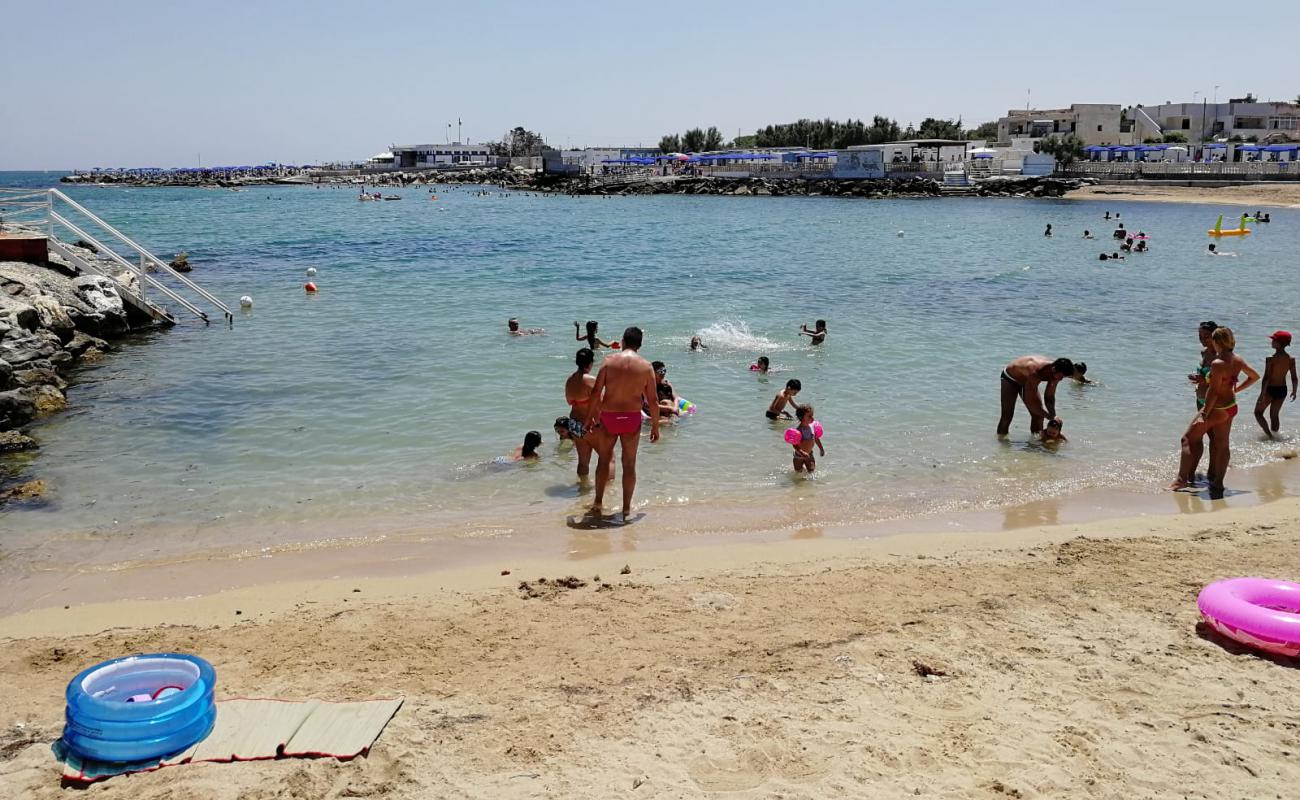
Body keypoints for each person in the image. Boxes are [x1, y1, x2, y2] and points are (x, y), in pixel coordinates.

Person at [1170, 327, 1259, 497]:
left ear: (1217, 342)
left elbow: (1213, 391)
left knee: (1187, 439)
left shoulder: (1217, 364)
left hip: (1216, 408)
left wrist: (1204, 414)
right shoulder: (1237, 359)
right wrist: (1236, 390)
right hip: (1231, 407)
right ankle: (1218, 483)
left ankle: (1180, 481)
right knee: (1222, 444)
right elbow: (1254, 376)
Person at [585, 326, 659, 520]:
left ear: (623, 341)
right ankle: (626, 509)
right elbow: (653, 401)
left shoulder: (609, 362)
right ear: (640, 346)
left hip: (609, 417)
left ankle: (598, 503)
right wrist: (655, 426)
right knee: (630, 464)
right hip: (632, 419)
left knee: (603, 461)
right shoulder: (646, 366)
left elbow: (595, 393)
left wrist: (588, 418)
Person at [997, 356, 1076, 436]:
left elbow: (1049, 397)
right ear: (1054, 369)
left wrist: (1053, 415)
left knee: (1038, 416)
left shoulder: (1056, 373)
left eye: (1063, 377)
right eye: (1061, 376)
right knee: (1007, 415)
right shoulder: (1036, 372)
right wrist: (1048, 416)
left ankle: (1036, 444)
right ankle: (1001, 443)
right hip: (1011, 377)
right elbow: (1030, 402)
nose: (1061, 379)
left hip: (1027, 380)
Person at [565, 348, 605, 480]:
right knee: (608, 459)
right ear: (590, 363)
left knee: (583, 462)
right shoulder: (591, 380)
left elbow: (569, 401)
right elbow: (600, 406)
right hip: (590, 425)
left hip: (574, 423)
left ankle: (582, 490)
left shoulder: (569, 381)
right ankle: (608, 493)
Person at [1254, 330, 1296, 439]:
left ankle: (1269, 435)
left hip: (1270, 389)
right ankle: (1275, 436)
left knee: (1258, 413)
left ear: (1279, 343)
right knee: (1274, 415)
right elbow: (1294, 377)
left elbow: (1266, 377)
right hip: (1282, 389)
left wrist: (1262, 394)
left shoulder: (1270, 359)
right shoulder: (1291, 359)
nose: (1271, 342)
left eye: (1273, 340)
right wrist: (1294, 391)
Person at [790, 404, 825, 473]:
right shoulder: (799, 430)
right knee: (798, 472)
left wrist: (821, 449)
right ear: (801, 417)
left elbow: (816, 438)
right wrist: (801, 452)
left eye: (812, 415)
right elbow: (794, 444)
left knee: (811, 470)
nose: (812, 418)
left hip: (809, 454)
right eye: (809, 416)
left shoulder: (812, 427)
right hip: (799, 456)